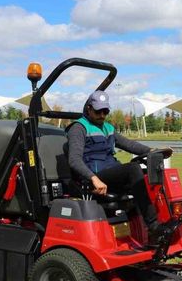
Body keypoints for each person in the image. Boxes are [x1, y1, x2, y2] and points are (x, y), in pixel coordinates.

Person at [66, 90, 172, 242]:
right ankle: (153, 226)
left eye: (105, 111)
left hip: (110, 173)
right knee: (132, 169)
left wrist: (152, 152)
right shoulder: (79, 128)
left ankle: (151, 227)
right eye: (98, 111)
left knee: (146, 174)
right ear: (89, 109)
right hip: (93, 177)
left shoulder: (108, 128)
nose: (102, 115)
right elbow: (74, 160)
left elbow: (128, 144)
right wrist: (93, 179)